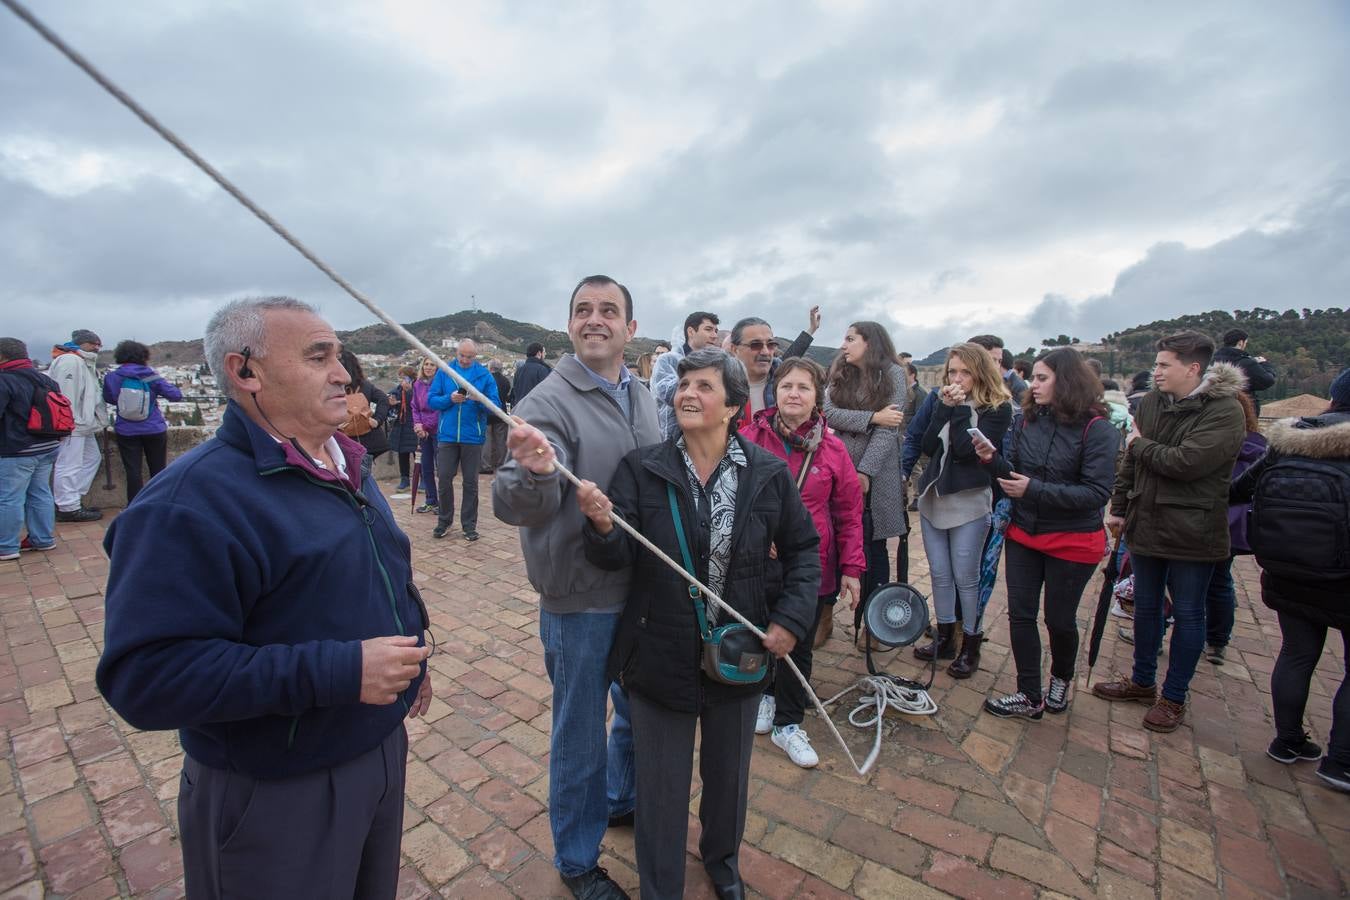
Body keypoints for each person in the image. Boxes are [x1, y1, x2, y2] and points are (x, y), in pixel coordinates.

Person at [96, 297, 432, 900]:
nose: (344, 373)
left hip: (375, 750)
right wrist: (342, 670)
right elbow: (145, 678)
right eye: (318, 356)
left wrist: (411, 650)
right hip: (277, 788)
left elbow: (381, 569)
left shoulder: (342, 460)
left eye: (338, 355)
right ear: (244, 372)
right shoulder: (187, 506)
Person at [578, 347, 820, 899]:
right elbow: (617, 557)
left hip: (740, 656)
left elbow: (805, 550)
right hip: (658, 656)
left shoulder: (768, 475)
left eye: (704, 386)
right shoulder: (642, 469)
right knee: (660, 790)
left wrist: (790, 620)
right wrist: (601, 526)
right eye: (684, 383)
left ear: (735, 405)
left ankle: (723, 866)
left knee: (728, 782)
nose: (687, 393)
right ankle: (661, 887)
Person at [493, 275, 659, 900]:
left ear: (630, 329)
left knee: (636, 712)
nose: (595, 320)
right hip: (580, 597)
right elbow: (513, 502)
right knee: (581, 731)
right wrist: (534, 472)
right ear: (568, 327)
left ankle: (619, 800)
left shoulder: (643, 397)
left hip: (638, 589)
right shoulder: (546, 404)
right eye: (583, 311)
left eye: (608, 310)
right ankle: (576, 859)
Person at [1093, 332, 1246, 732]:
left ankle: (1174, 697)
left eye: (1164, 364)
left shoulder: (1225, 410)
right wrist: (1120, 506)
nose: (1156, 371)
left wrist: (1142, 445)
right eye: (1157, 364)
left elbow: (1187, 463)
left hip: (1193, 530)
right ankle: (1142, 681)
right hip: (1146, 522)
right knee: (1145, 607)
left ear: (1192, 368)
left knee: (1189, 613)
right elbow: (1131, 460)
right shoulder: (1153, 403)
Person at [976, 349, 1120, 719]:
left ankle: (1061, 679)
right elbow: (1016, 476)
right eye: (1034, 378)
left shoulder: (1098, 430)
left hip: (1072, 540)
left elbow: (1096, 493)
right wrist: (993, 460)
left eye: (1042, 378)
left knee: (1059, 618)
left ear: (1067, 381)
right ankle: (1029, 693)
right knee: (1020, 614)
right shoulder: (1027, 422)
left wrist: (1033, 490)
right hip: (1025, 532)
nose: (1032, 385)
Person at [1230, 368, 1350, 791]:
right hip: (1343, 574)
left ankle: (1287, 741)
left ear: (1333, 399)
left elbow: (1240, 490)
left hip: (1288, 567)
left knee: (1297, 653)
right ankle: (1340, 762)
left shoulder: (1292, 438)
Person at [742, 356, 863, 758]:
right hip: (757, 562)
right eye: (787, 385)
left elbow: (848, 511)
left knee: (800, 643)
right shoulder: (749, 437)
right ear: (775, 391)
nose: (794, 393)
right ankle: (767, 695)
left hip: (810, 564)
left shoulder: (832, 449)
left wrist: (852, 568)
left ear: (818, 397)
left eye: (804, 387)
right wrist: (759, 535)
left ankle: (788, 722)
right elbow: (730, 497)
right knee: (760, 632)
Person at [912, 343, 1013, 677]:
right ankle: (945, 638)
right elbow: (928, 445)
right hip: (934, 496)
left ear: (979, 372)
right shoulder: (941, 401)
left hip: (969, 499)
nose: (956, 378)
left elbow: (966, 450)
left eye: (964, 372)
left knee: (965, 577)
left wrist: (956, 411)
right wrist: (943, 408)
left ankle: (970, 643)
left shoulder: (997, 408)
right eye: (952, 371)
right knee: (940, 574)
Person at [822, 322, 907, 647]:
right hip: (836, 466)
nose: (844, 345)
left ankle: (872, 623)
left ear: (870, 343)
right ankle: (825, 616)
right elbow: (827, 413)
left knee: (873, 546)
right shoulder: (841, 372)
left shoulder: (892, 375)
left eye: (850, 339)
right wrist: (872, 418)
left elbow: (891, 428)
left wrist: (865, 472)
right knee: (830, 540)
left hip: (877, 473)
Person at [1203, 392, 1267, 664]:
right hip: (1232, 525)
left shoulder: (1210, 442)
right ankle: (1217, 642)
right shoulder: (1259, 449)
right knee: (1220, 581)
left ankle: (1161, 633)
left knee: (1175, 581)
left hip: (1201, 518)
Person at [428, 339, 499, 541]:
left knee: (471, 483)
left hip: (472, 437)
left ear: (475, 356)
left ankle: (469, 525)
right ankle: (444, 521)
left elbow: (495, 404)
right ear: (456, 353)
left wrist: (478, 399)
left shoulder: (484, 375)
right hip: (447, 436)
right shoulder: (444, 371)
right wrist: (449, 399)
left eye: (470, 357)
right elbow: (432, 400)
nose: (465, 360)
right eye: (462, 356)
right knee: (444, 479)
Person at [0, 338, 62, 560]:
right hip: (47, 445)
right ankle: (43, 539)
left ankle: (6, 545)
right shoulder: (45, 379)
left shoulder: (4, 381)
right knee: (41, 493)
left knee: (9, 498)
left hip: (16, 449)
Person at [102, 340, 184, 504]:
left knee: (133, 471)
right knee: (158, 469)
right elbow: (176, 395)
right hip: (153, 428)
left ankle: (134, 505)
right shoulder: (150, 376)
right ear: (143, 356)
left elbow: (109, 398)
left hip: (126, 430)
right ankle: (161, 502)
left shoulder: (112, 377)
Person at [48, 328, 108, 522]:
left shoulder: (82, 361)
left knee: (92, 458)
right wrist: (69, 422)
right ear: (83, 343)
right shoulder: (70, 361)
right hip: (72, 424)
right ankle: (67, 507)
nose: (97, 347)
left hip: (83, 424)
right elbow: (66, 395)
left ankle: (72, 498)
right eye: (94, 344)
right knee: (69, 464)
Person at [728, 307, 821, 417]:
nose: (765, 352)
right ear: (734, 349)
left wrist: (811, 330)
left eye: (770, 344)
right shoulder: (720, 384)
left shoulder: (785, 378)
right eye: (755, 345)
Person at [653, 311, 721, 439]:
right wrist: (698, 368)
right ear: (691, 331)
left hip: (706, 439)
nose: (714, 335)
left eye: (716, 331)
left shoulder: (715, 364)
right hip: (673, 440)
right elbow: (668, 395)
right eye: (708, 329)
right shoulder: (667, 360)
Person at [339, 350, 391, 482]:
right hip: (370, 440)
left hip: (346, 440)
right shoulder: (365, 385)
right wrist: (377, 420)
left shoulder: (335, 387)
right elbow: (383, 399)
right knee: (363, 478)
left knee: (352, 478)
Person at [1214, 328, 1276, 414]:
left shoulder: (1212, 361)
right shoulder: (1246, 363)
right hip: (1243, 410)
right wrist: (1264, 364)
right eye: (1245, 343)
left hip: (1215, 409)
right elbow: (1267, 381)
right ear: (1240, 343)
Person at [410, 358, 440, 513]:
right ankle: (431, 500)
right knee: (425, 467)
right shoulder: (417, 384)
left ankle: (443, 502)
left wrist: (426, 426)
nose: (428, 367)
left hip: (437, 431)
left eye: (432, 364)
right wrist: (418, 425)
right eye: (426, 364)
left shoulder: (440, 384)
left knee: (441, 468)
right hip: (423, 432)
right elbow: (414, 407)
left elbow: (438, 408)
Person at [385, 365, 420, 491]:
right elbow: (391, 399)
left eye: (404, 378)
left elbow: (419, 404)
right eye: (400, 378)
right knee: (402, 454)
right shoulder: (398, 391)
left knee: (418, 455)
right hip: (401, 426)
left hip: (414, 424)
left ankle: (422, 479)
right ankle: (404, 480)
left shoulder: (417, 389)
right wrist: (390, 401)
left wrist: (409, 391)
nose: (401, 381)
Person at [482, 359, 513, 473]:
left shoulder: (486, 379)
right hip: (501, 413)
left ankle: (486, 465)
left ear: (490, 368)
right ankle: (501, 464)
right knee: (501, 440)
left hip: (487, 412)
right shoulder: (506, 381)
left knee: (486, 440)